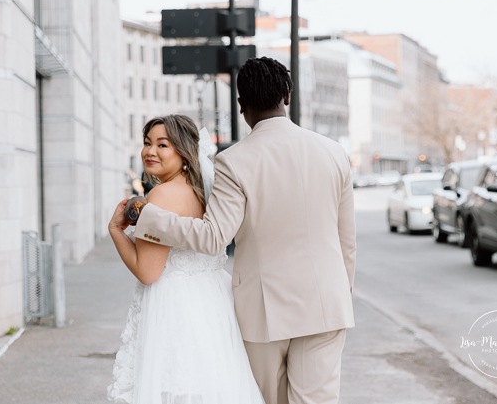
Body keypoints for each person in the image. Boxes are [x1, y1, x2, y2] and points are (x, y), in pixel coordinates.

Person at [133, 57, 357, 404]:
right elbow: (347, 244)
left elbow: (212, 237)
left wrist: (148, 216)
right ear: (287, 96)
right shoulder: (334, 153)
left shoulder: (235, 161)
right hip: (326, 303)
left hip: (265, 311)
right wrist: (342, 293)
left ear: (241, 106)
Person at [106, 114, 264, 404]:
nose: (150, 151)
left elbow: (148, 271)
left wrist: (116, 231)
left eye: (162, 145)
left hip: (175, 310)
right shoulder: (206, 194)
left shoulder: (161, 197)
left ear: (184, 152)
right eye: (146, 143)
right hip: (213, 305)